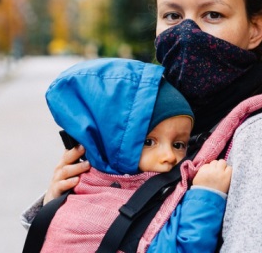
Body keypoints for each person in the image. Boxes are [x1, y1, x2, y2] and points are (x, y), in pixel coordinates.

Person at [23, 0, 262, 252]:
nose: (186, 33)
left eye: (212, 14)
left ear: (254, 28)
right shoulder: (155, 114)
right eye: (172, 15)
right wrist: (64, 205)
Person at [35, 58, 232, 252]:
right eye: (148, 142)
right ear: (110, 143)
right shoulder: (90, 208)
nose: (169, 156)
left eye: (179, 144)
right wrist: (206, 196)